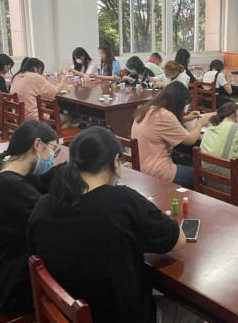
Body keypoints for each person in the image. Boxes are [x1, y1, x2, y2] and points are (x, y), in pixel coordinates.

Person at [28, 127, 199, 323]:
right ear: (115, 161)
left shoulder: (42, 206)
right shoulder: (121, 201)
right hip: (123, 317)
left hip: (67, 313)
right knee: (199, 310)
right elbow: (178, 240)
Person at [0, 120, 60, 314]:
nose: (52, 157)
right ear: (37, 144)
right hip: (4, 287)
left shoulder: (2, 169)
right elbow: (52, 221)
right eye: (53, 150)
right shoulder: (13, 188)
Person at [131, 82, 210, 189]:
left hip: (137, 165)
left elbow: (163, 125)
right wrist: (200, 124)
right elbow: (190, 140)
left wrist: (186, 118)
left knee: (188, 162)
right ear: (178, 103)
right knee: (202, 174)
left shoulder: (147, 109)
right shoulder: (165, 116)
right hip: (154, 172)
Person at [10, 58, 70, 126]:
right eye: (39, 69)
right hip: (34, 118)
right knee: (68, 118)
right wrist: (63, 79)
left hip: (17, 117)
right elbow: (56, 91)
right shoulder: (35, 77)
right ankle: (52, 133)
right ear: (34, 68)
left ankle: (49, 131)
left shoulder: (16, 77)